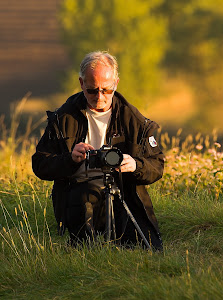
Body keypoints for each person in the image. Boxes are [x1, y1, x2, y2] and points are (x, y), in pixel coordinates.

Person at [32, 51, 164, 250]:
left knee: (147, 248)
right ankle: (84, 248)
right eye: (93, 90)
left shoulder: (134, 121)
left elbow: (157, 166)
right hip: (79, 194)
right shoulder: (63, 118)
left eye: (107, 90)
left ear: (116, 83)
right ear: (81, 83)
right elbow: (40, 165)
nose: (100, 97)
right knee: (84, 241)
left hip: (124, 192)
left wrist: (134, 165)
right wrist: (70, 159)